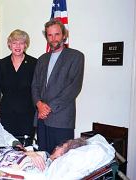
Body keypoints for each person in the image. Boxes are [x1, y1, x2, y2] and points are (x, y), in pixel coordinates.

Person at [32, 19, 85, 154]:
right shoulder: (42, 59)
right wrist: (39, 104)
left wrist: (48, 108)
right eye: (50, 35)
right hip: (42, 120)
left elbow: (73, 87)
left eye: (57, 34)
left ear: (64, 35)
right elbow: (35, 85)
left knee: (61, 160)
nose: (53, 38)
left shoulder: (76, 56)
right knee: (43, 156)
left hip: (61, 119)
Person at [0, 29, 37, 146]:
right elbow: (1, 87)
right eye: (14, 43)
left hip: (27, 115)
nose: (18, 46)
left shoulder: (34, 63)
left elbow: (36, 88)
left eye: (21, 43)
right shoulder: (2, 63)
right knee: (7, 147)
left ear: (26, 45)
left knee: (25, 148)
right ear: (9, 45)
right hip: (7, 114)